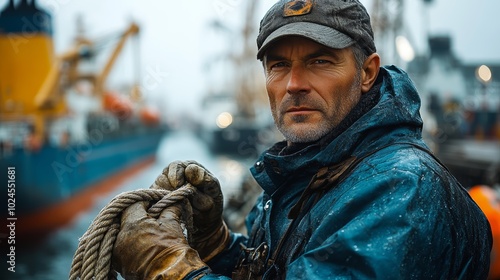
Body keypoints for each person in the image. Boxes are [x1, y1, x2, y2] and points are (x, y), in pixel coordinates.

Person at [111, 0, 493, 279]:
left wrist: (172, 271)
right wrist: (219, 246)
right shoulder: (310, 169)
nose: (294, 85)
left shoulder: (403, 188)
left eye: (320, 61)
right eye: (278, 65)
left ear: (367, 73)